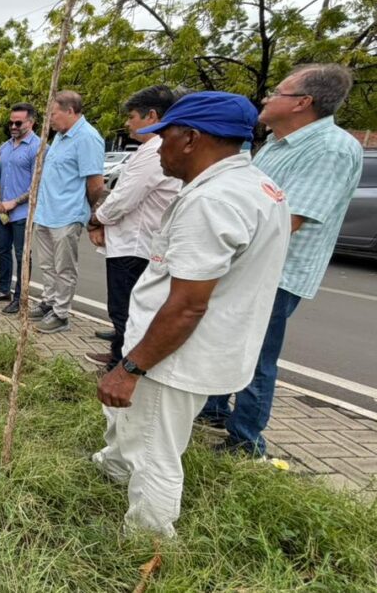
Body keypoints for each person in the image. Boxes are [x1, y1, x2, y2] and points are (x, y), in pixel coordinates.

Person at [92, 91, 290, 537]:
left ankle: (147, 538)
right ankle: (113, 469)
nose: (157, 147)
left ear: (190, 138)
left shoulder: (211, 202)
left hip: (173, 357)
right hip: (204, 345)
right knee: (137, 430)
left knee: (154, 450)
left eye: (163, 137)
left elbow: (187, 306)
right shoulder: (258, 186)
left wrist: (130, 368)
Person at [197, 64, 364, 457]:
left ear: (303, 103)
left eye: (276, 92)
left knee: (256, 352)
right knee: (227, 339)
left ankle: (246, 439)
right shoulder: (277, 142)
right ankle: (214, 409)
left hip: (277, 271)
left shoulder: (330, 149)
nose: (266, 98)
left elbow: (290, 220)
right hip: (247, 262)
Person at [85, 87, 182, 366]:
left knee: (126, 308)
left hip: (136, 245)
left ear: (151, 116)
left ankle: (121, 365)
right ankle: (119, 349)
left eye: (131, 117)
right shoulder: (148, 149)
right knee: (124, 308)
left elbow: (123, 198)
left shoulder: (155, 152)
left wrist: (96, 220)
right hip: (130, 241)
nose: (127, 123)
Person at [30, 91, 106, 334]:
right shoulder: (61, 137)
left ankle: (61, 314)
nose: (50, 120)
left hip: (67, 214)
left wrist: (88, 213)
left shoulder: (87, 138)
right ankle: (49, 301)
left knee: (64, 268)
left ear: (70, 111)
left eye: (53, 114)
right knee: (47, 265)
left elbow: (96, 184)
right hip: (46, 213)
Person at [0, 104, 42, 313]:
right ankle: (3, 290)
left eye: (18, 123)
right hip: (1, 212)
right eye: (11, 123)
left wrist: (15, 202)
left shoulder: (38, 147)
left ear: (31, 122)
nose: (13, 127)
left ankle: (20, 298)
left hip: (22, 213)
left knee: (22, 255)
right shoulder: (6, 146)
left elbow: (37, 184)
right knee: (2, 250)